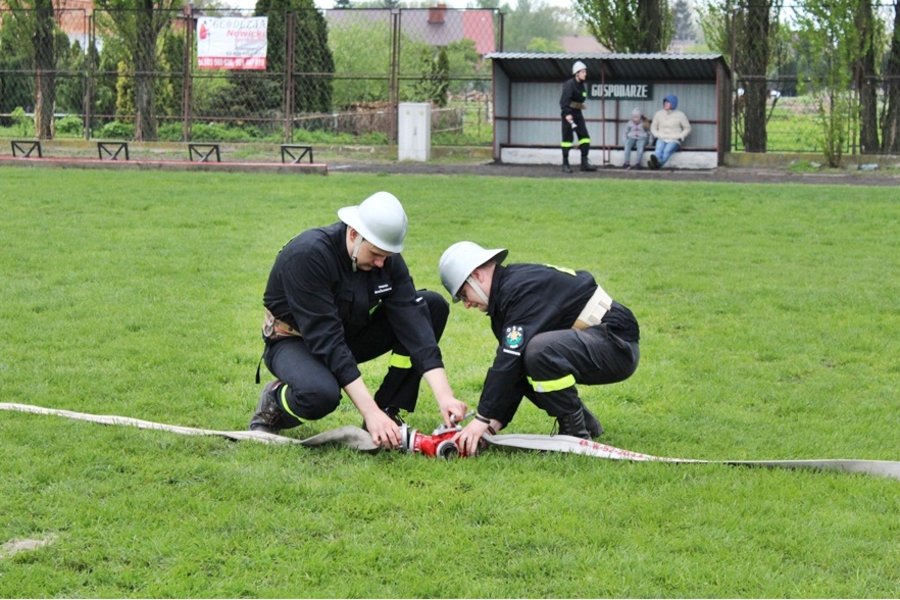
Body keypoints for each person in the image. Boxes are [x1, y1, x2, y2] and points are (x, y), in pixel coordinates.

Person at [251, 191, 468, 448]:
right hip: (295, 341)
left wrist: (445, 396)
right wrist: (369, 410)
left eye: (387, 255)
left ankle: (388, 410)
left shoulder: (384, 259)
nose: (381, 263)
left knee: (431, 307)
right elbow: (328, 340)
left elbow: (413, 320)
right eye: (375, 253)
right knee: (320, 394)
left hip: (348, 334)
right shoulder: (308, 255)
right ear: (354, 234)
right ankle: (275, 402)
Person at [438, 241, 640, 456]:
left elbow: (510, 360)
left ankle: (575, 435)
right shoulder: (506, 296)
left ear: (477, 276)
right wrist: (490, 427)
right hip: (600, 340)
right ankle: (585, 423)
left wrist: (481, 418)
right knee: (526, 357)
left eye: (463, 294)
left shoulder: (519, 289)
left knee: (538, 352)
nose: (466, 304)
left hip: (617, 343)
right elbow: (512, 371)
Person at [559, 60, 597, 173]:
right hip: (568, 115)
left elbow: (581, 99)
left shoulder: (581, 86)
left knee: (585, 138)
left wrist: (579, 106)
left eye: (585, 72)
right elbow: (563, 101)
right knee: (567, 140)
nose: (585, 74)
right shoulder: (569, 85)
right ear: (577, 73)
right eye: (583, 72)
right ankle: (565, 164)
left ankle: (584, 163)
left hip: (578, 114)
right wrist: (567, 113)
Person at [649, 94, 691, 169]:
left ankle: (656, 165)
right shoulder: (658, 114)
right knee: (658, 150)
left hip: (674, 139)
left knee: (667, 151)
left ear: (673, 103)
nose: (665, 104)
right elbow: (653, 127)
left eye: (668, 102)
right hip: (661, 137)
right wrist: (656, 134)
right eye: (665, 102)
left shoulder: (680, 115)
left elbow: (687, 128)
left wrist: (681, 136)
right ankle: (657, 164)